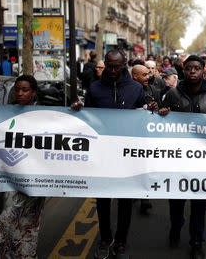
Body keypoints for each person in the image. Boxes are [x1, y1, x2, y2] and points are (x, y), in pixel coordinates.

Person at [72, 50, 146, 258]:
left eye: (117, 67)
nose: (112, 71)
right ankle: (105, 238)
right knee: (102, 201)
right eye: (109, 66)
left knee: (125, 202)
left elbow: (145, 119)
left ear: (125, 65)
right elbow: (88, 121)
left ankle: (121, 241)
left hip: (128, 156)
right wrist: (78, 111)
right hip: (103, 155)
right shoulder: (94, 88)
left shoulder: (136, 88)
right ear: (104, 64)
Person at [158, 55, 206, 259]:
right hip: (178, 160)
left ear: (203, 70)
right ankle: (175, 226)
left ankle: (197, 242)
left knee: (199, 206)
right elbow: (161, 126)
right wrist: (162, 114)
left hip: (203, 162)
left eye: (196, 68)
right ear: (183, 70)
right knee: (176, 203)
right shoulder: (172, 95)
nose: (192, 72)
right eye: (188, 68)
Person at [0, 75, 46, 259]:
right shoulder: (5, 114)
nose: (20, 93)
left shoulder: (45, 115)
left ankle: (25, 254)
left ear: (33, 92)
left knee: (31, 220)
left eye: (25, 90)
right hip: (13, 175)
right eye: (17, 89)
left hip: (37, 176)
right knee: (8, 215)